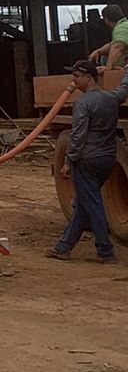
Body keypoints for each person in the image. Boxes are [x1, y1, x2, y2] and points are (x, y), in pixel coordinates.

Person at [47, 57, 128, 264]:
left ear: (89, 77)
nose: (73, 82)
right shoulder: (111, 98)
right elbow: (124, 88)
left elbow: (78, 135)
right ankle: (63, 247)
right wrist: (127, 70)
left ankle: (105, 251)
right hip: (107, 159)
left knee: (92, 204)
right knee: (84, 202)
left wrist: (67, 161)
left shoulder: (83, 103)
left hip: (86, 160)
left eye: (76, 76)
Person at [93, 4, 128, 72]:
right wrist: (99, 51)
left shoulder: (121, 28)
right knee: (104, 57)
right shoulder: (125, 25)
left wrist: (108, 67)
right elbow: (113, 44)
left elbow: (118, 46)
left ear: (106, 19)